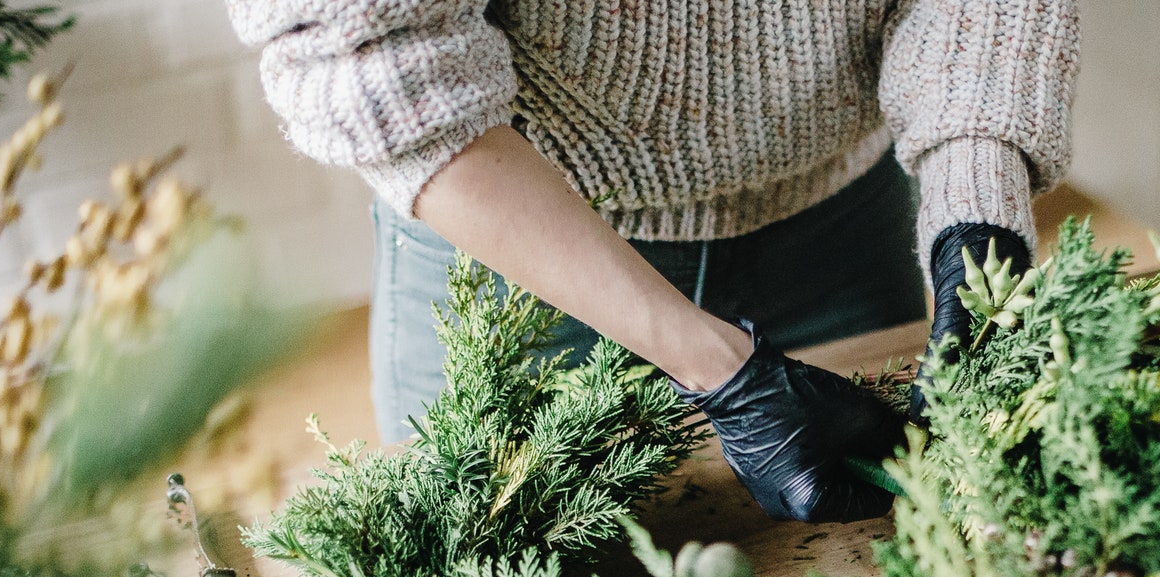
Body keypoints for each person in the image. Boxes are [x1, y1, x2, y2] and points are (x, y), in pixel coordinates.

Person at [226, 1, 1079, 523]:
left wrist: (977, 210)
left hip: (844, 226)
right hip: (518, 265)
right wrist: (726, 374)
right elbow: (377, 64)